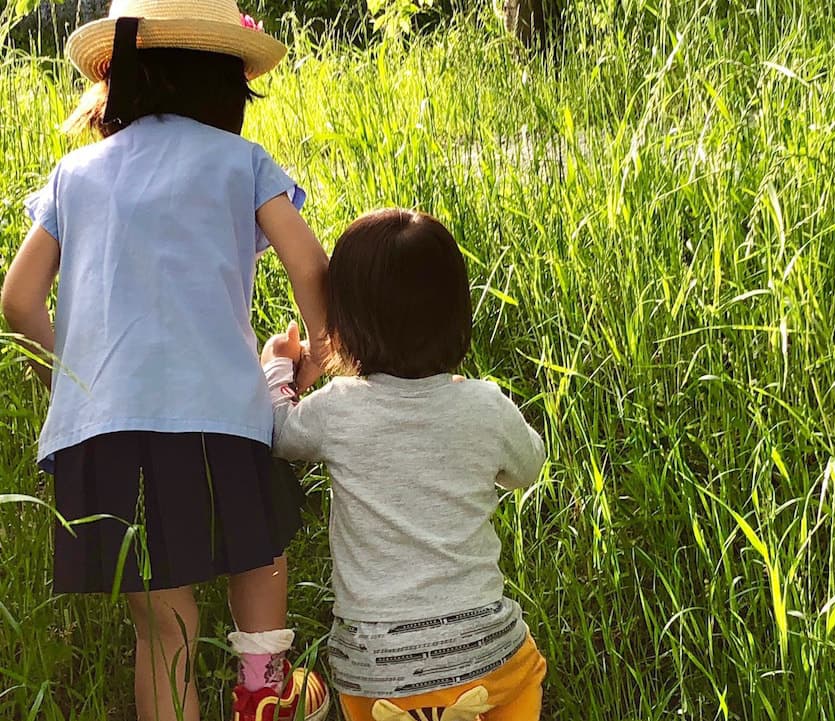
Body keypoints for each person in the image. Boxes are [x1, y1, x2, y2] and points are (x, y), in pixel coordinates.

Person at [1, 1, 330, 719]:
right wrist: (321, 353)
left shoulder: (74, 172)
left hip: (102, 435)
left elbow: (19, 302)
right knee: (259, 551)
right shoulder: (240, 161)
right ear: (225, 83)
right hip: (219, 414)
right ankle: (260, 689)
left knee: (164, 630)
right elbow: (309, 261)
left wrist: (75, 382)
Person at [260, 208, 549, 721]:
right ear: (457, 313)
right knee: (521, 672)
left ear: (342, 321)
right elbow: (529, 466)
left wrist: (278, 364)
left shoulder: (338, 408)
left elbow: (278, 431)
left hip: (378, 676)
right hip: (489, 660)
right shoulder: (485, 405)